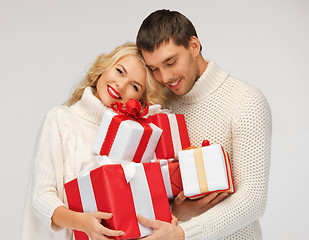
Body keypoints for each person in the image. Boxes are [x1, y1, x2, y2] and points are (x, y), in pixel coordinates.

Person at [136, 9, 272, 239]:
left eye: (170, 62)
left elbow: (253, 199)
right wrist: (176, 212)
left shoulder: (245, 100)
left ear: (194, 46)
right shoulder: (159, 106)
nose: (165, 77)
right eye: (154, 69)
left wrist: (183, 233)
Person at [21, 42, 168, 240]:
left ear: (140, 99)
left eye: (134, 86)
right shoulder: (61, 119)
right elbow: (41, 197)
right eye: (119, 71)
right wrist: (83, 223)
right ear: (104, 67)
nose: (121, 85)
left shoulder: (135, 139)